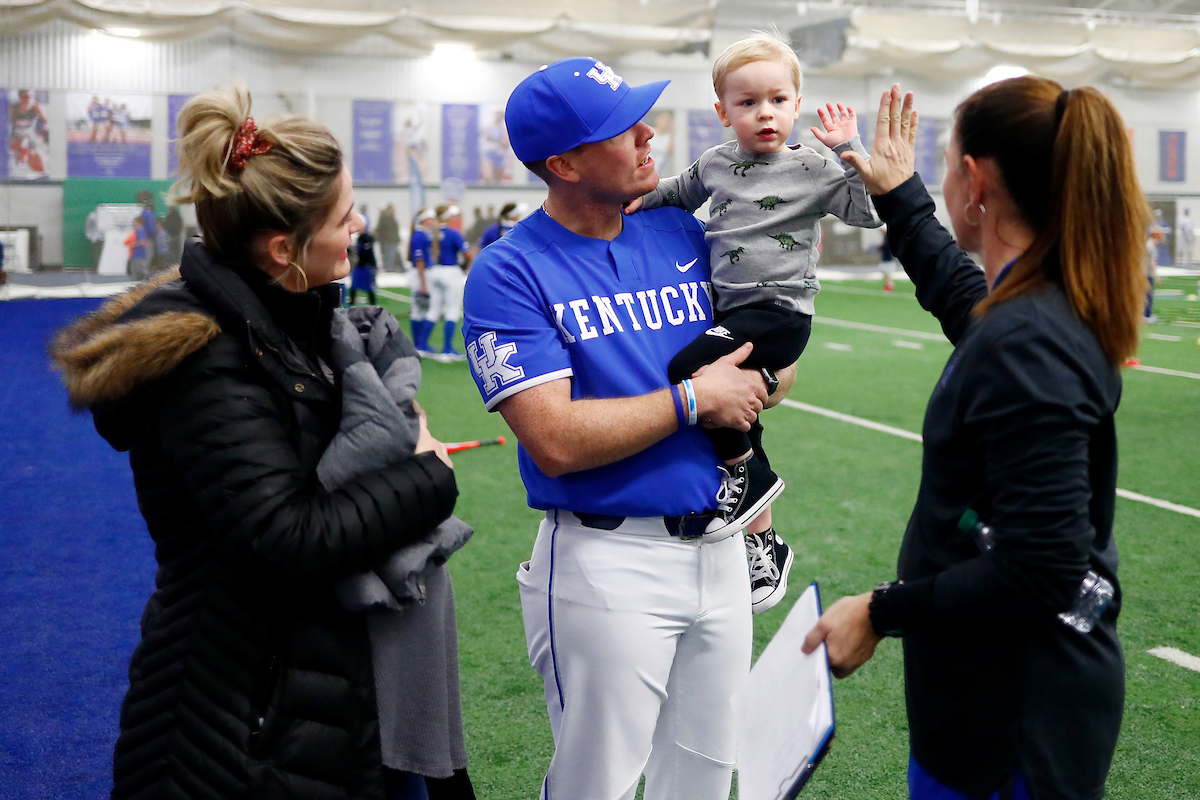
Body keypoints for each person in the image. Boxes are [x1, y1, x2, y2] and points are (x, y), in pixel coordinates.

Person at [50, 85, 476, 800]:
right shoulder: (209, 361)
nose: (360, 226)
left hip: (302, 697)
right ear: (283, 249)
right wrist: (428, 472)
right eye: (345, 217)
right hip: (235, 722)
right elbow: (289, 536)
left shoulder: (287, 323)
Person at [802, 80, 1145, 800]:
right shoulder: (1035, 303)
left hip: (1013, 719)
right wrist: (901, 196)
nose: (947, 176)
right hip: (1001, 697)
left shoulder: (1027, 337)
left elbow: (1040, 566)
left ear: (977, 180)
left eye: (950, 161)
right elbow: (968, 300)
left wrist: (879, 609)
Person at [462, 57, 794, 800]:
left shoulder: (682, 231)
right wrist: (694, 401)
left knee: (705, 783)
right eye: (622, 129)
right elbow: (552, 436)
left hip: (720, 549)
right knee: (598, 787)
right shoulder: (511, 270)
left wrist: (759, 375)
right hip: (607, 562)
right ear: (565, 163)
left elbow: (771, 373)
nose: (650, 133)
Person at [627, 31, 880, 612]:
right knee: (732, 407)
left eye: (777, 100)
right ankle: (763, 538)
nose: (764, 113)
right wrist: (627, 200)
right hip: (730, 310)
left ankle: (750, 476)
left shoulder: (814, 168)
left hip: (782, 313)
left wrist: (850, 152)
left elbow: (867, 212)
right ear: (722, 113)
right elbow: (674, 192)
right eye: (747, 103)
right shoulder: (716, 164)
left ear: (796, 103)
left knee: (688, 369)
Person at [410, 205, 469, 361]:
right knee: (452, 311)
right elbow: (467, 253)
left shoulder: (429, 233)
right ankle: (447, 349)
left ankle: (421, 346)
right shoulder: (452, 233)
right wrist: (464, 267)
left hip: (434, 272)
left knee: (433, 310)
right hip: (450, 272)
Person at [350, 228, 378, 305]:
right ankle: (372, 304)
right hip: (364, 266)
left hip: (365, 266)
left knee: (366, 287)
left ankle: (372, 303)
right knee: (355, 286)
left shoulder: (364, 239)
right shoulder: (365, 239)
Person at [376, 202, 403, 272]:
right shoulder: (385, 217)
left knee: (392, 255)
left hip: (392, 240)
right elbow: (381, 229)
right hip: (387, 240)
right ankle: (389, 269)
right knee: (389, 256)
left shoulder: (391, 217)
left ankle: (391, 268)